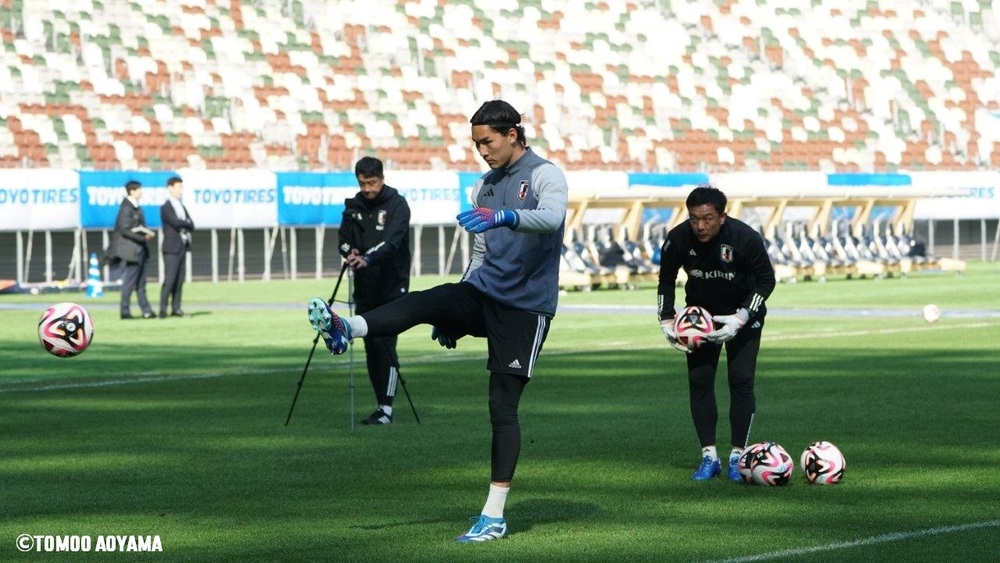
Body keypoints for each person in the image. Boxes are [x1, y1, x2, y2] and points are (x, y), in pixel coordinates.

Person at [306, 100, 568, 542]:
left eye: (487, 142)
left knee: (501, 408)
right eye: (476, 144)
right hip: (484, 292)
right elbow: (481, 253)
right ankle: (347, 328)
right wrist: (455, 311)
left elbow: (552, 218)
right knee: (427, 301)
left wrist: (505, 216)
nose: (482, 151)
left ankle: (494, 516)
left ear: (512, 134)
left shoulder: (546, 175)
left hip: (526, 309)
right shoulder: (483, 186)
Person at [657, 185, 776, 482]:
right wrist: (666, 319)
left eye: (707, 218)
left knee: (741, 380)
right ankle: (709, 457)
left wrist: (741, 317)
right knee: (699, 382)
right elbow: (666, 279)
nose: (700, 226)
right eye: (694, 218)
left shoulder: (745, 237)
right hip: (701, 318)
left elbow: (766, 281)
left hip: (742, 315)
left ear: (722, 217)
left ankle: (739, 457)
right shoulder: (678, 238)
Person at [339, 156, 412, 425]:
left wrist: (368, 258)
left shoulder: (397, 205)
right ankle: (380, 405)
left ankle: (387, 408)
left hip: (392, 286)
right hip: (365, 287)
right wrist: (350, 252)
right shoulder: (353, 206)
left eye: (371, 182)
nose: (367, 188)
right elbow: (343, 240)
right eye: (362, 183)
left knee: (385, 345)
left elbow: (391, 242)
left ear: (382, 178)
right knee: (370, 346)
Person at [112, 180, 156, 320]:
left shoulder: (137, 208)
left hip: (140, 250)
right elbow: (124, 229)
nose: (141, 192)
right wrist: (141, 237)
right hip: (131, 251)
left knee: (141, 283)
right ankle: (125, 311)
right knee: (129, 282)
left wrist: (145, 234)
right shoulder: (126, 208)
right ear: (132, 191)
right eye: (138, 189)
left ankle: (146, 311)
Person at [159, 175, 195, 318]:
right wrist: (185, 222)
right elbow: (176, 223)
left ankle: (176, 308)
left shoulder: (181, 206)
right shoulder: (166, 207)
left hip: (182, 246)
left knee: (180, 279)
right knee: (170, 279)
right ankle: (163, 310)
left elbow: (191, 224)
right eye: (179, 187)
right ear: (170, 188)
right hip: (171, 248)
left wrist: (185, 223)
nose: (181, 190)